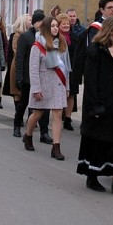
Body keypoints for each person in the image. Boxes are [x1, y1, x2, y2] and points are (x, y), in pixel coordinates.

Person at [76, 16, 113, 196]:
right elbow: (91, 82)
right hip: (101, 107)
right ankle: (92, 176)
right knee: (98, 142)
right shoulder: (96, 51)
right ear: (111, 30)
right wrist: (94, 107)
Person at [25, 15, 70, 160]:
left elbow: (66, 68)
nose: (56, 28)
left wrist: (67, 86)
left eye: (57, 25)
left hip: (58, 84)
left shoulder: (62, 44)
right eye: (53, 26)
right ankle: (28, 135)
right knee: (37, 114)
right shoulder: (37, 46)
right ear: (46, 28)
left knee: (57, 115)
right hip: (43, 85)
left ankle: (56, 147)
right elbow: (33, 69)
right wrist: (36, 89)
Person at [15, 10, 51, 144]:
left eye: (43, 22)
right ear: (35, 23)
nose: (41, 24)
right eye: (39, 22)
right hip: (27, 76)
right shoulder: (25, 36)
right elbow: (20, 58)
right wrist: (18, 77)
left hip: (43, 78)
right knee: (23, 103)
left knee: (44, 107)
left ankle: (44, 132)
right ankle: (17, 125)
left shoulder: (46, 37)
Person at [3, 13, 30, 131]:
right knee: (17, 91)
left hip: (27, 64)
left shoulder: (33, 34)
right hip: (18, 64)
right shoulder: (18, 35)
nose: (32, 22)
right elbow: (15, 50)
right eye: (30, 20)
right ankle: (18, 115)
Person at [56, 13, 77, 131]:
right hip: (58, 69)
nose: (66, 25)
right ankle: (57, 116)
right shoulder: (55, 38)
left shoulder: (75, 37)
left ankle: (68, 119)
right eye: (63, 23)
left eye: (67, 23)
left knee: (71, 94)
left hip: (72, 69)